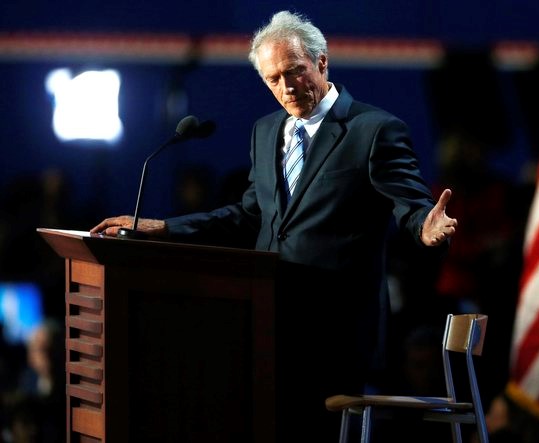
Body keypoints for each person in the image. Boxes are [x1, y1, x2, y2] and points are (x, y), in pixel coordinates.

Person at [91, 10, 457, 442]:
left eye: (295, 72)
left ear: (321, 62)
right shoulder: (266, 132)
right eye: (273, 79)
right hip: (266, 321)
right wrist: (165, 228)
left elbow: (410, 205)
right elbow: (250, 215)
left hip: (334, 331)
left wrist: (424, 225)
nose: (286, 88)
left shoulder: (373, 130)